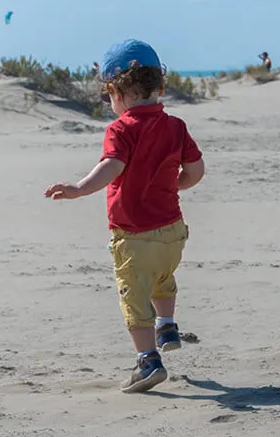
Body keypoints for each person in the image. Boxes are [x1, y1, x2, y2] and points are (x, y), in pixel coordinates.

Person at [45, 39, 206, 393]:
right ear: (158, 86)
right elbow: (195, 171)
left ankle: (148, 360)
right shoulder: (176, 126)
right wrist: (175, 184)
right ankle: (167, 324)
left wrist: (79, 188)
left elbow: (112, 166)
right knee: (163, 278)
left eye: (108, 97)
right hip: (173, 232)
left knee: (134, 297)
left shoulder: (121, 129)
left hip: (135, 235)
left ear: (118, 91)